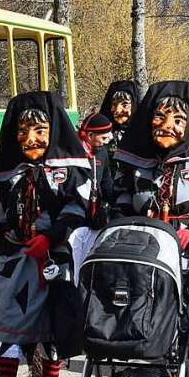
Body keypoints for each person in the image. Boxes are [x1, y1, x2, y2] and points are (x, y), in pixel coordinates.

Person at [111, 81, 189, 377]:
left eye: (177, 121)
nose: (167, 127)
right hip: (141, 255)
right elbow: (119, 203)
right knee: (140, 319)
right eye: (159, 119)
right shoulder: (133, 165)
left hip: (187, 255)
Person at [0, 91, 91, 377]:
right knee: (7, 320)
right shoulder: (9, 174)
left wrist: (51, 236)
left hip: (54, 257)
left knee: (52, 319)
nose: (30, 139)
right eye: (22, 132)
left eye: (39, 131)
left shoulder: (71, 169)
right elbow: (1, 216)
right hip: (15, 258)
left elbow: (79, 207)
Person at [71, 111, 114, 278]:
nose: (104, 143)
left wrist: (109, 206)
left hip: (96, 217)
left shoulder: (102, 153)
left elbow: (106, 181)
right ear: (89, 135)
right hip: (76, 217)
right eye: (102, 138)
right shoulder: (72, 151)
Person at [99, 80, 139, 154]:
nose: (118, 110)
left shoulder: (141, 134)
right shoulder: (102, 134)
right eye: (114, 104)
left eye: (125, 105)